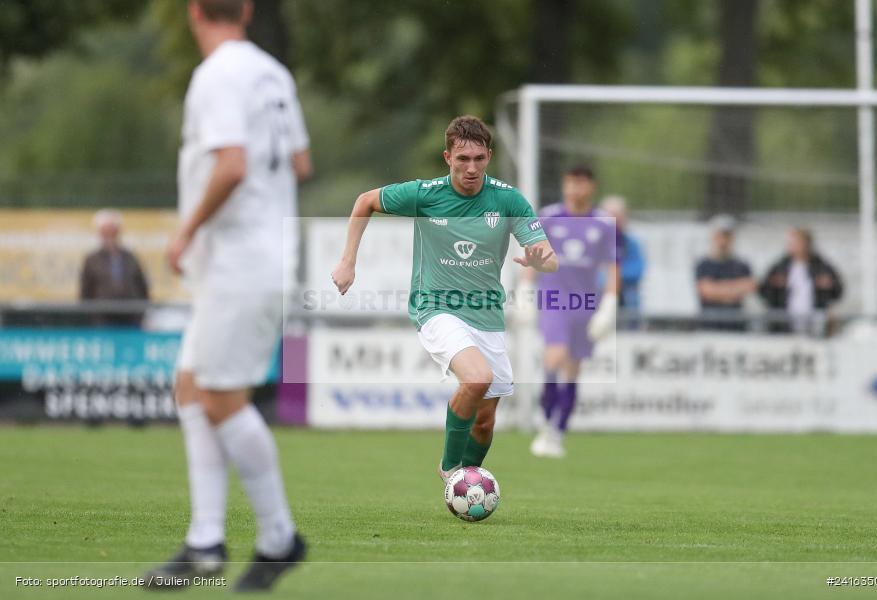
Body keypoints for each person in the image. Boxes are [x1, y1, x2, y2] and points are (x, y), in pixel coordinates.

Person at [144, 0, 313, 592]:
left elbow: (232, 165)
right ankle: (205, 539)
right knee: (191, 386)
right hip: (264, 255)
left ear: (195, 12)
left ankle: (278, 539)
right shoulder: (272, 71)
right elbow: (300, 160)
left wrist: (187, 227)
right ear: (244, 9)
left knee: (219, 397)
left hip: (240, 262)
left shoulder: (216, 74)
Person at [331, 115, 558, 484]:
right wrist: (347, 261)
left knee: (484, 423)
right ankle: (452, 471)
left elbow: (549, 257)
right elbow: (365, 201)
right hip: (435, 307)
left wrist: (541, 258)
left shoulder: (507, 199)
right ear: (447, 158)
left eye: (479, 159)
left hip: (486, 315)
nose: (471, 168)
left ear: (489, 157)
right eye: (462, 159)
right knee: (477, 378)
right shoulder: (426, 194)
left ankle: (468, 482)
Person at [527, 167, 619, 459]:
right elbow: (534, 255)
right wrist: (525, 292)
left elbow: (612, 267)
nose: (575, 189)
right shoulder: (550, 217)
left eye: (581, 184)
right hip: (554, 297)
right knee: (555, 354)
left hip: (586, 302)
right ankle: (545, 411)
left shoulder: (604, 223)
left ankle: (558, 430)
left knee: (574, 368)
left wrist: (609, 305)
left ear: (591, 187)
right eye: (570, 183)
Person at [758, 227, 843, 334]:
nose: (791, 245)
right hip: (785, 320)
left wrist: (829, 286)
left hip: (814, 319)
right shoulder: (780, 266)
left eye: (795, 242)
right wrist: (773, 285)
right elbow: (764, 292)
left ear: (806, 244)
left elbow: (838, 291)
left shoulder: (821, 266)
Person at [79, 209, 150, 326]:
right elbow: (85, 292)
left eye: (112, 230)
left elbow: (142, 287)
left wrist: (141, 312)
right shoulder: (92, 260)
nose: (109, 234)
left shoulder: (130, 257)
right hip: (102, 320)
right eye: (106, 231)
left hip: (131, 319)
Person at [694, 214, 755, 331]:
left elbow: (749, 287)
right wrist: (733, 290)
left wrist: (718, 289)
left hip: (736, 327)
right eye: (719, 236)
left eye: (726, 236)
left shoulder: (742, 266)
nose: (723, 241)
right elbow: (706, 291)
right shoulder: (703, 265)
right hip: (710, 327)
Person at [600, 195, 644, 316]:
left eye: (617, 217)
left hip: (624, 294)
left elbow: (637, 270)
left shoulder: (631, 244)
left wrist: (612, 277)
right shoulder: (593, 243)